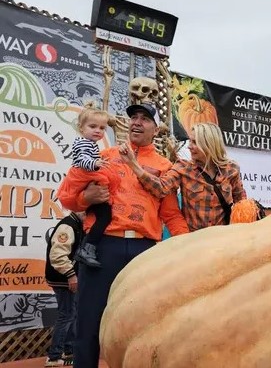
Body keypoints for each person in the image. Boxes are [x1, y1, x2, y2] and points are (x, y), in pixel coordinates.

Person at [57, 102, 189, 368]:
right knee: (88, 320)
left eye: (145, 118)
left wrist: (187, 246)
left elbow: (172, 216)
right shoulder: (103, 155)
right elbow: (66, 197)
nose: (137, 122)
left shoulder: (164, 166)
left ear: (156, 128)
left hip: (145, 251)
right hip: (101, 248)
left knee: (147, 323)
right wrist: (86, 198)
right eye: (134, 118)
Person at [119, 122, 246, 231]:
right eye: (190, 141)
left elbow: (242, 204)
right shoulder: (183, 168)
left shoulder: (231, 169)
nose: (189, 146)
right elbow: (161, 188)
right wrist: (134, 165)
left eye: (195, 142)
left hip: (222, 241)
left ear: (209, 144)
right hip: (194, 242)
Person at [57, 103, 121, 268]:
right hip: (84, 177)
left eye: (102, 128)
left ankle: (87, 247)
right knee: (105, 215)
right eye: (93, 126)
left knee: (102, 211)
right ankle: (87, 248)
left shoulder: (90, 144)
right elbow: (83, 160)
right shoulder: (83, 143)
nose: (98, 131)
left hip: (86, 180)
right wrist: (95, 163)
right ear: (81, 127)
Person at [44, 212, 83, 367]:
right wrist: (71, 275)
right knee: (66, 315)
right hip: (63, 279)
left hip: (64, 278)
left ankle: (68, 350)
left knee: (71, 314)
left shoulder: (76, 224)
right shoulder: (68, 225)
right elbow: (57, 255)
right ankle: (53, 357)